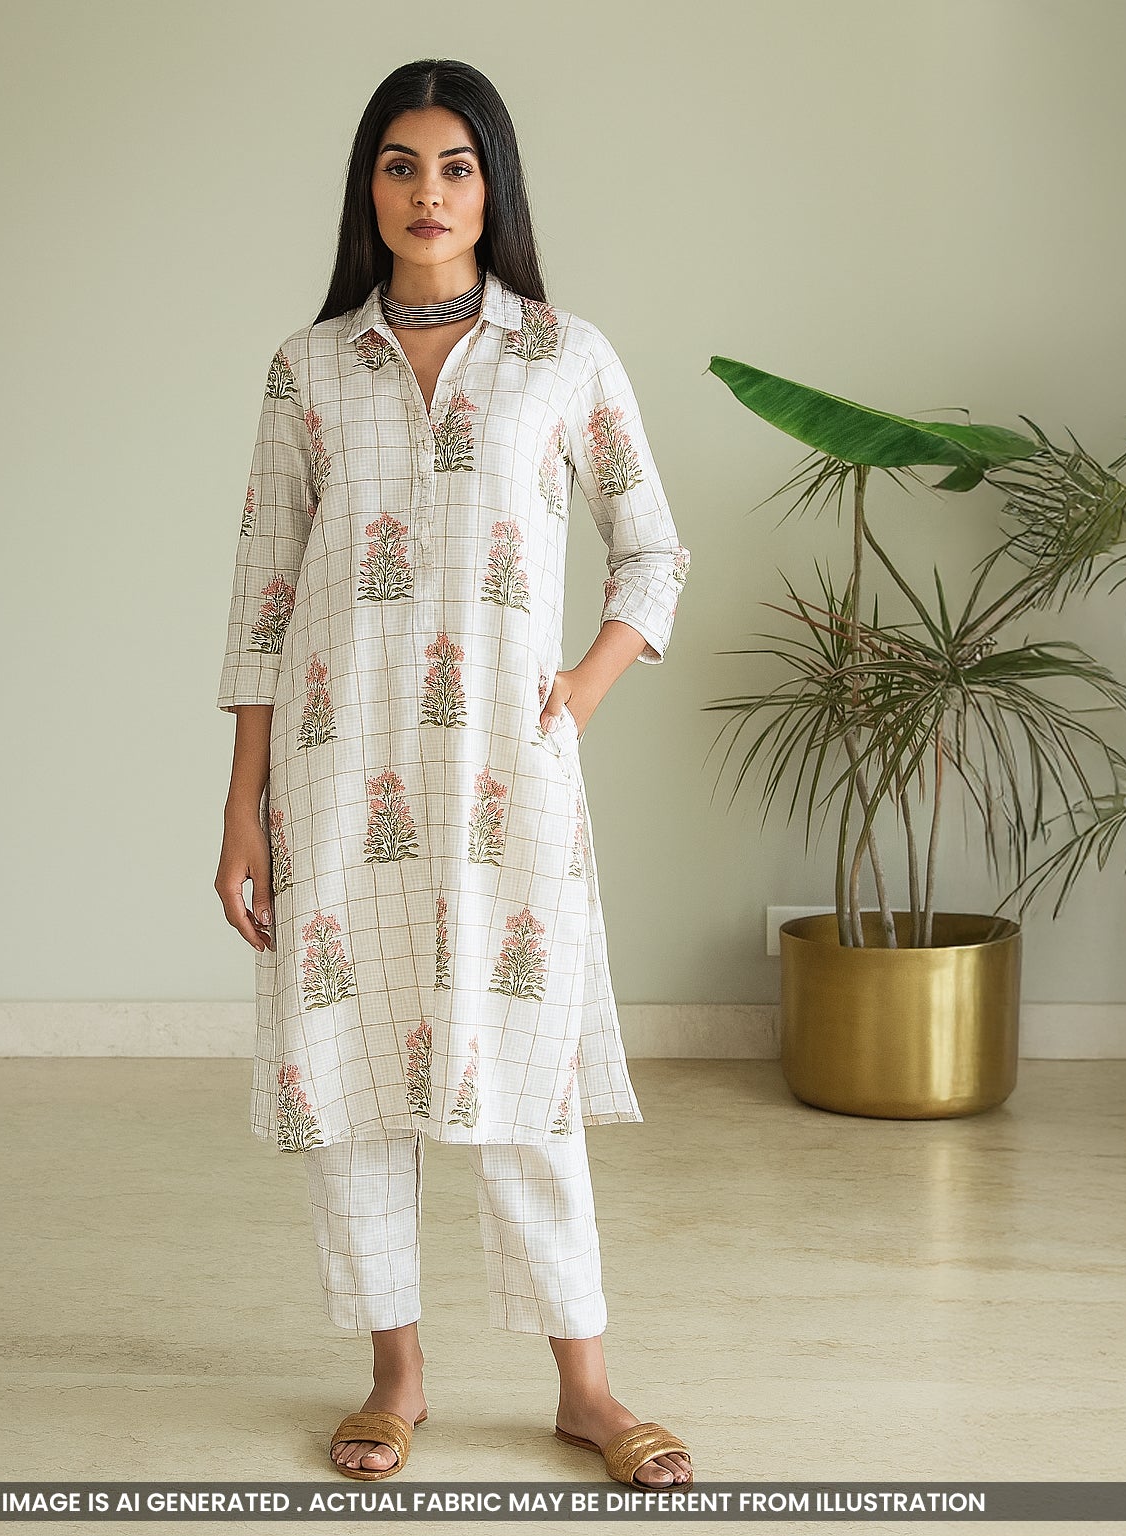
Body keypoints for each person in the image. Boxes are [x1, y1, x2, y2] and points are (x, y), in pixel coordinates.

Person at [215, 58, 693, 1489]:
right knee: (354, 1080)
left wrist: (578, 692)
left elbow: (652, 550)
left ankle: (587, 1390)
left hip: (506, 776)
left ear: (495, 188)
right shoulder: (309, 368)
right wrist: (241, 806)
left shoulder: (565, 356)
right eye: (401, 165)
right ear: (368, 189)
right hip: (333, 764)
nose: (429, 193)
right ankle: (395, 1378)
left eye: (456, 166)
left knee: (527, 1072)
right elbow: (263, 595)